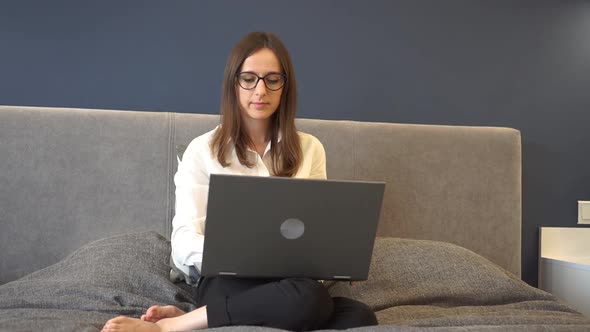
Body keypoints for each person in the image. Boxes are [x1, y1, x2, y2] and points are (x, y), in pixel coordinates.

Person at [102, 31, 377, 332]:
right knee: (308, 300)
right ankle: (170, 326)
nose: (260, 90)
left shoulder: (310, 148)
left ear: (286, 86)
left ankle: (196, 314)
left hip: (290, 283)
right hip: (228, 280)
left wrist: (334, 259)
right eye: (249, 78)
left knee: (360, 317)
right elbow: (182, 243)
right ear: (234, 84)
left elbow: (315, 230)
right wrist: (239, 255)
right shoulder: (201, 150)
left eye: (273, 79)